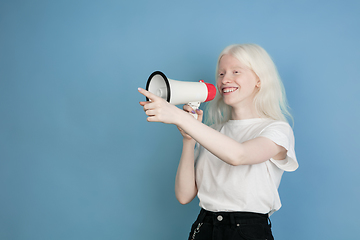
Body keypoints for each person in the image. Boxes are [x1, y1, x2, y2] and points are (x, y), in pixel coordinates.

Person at [138, 43, 298, 240]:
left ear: (259, 79)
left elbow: (239, 155)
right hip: (204, 227)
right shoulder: (213, 132)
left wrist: (180, 117)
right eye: (221, 74)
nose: (225, 79)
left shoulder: (277, 130)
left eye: (235, 71)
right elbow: (184, 195)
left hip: (247, 231)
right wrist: (188, 139)